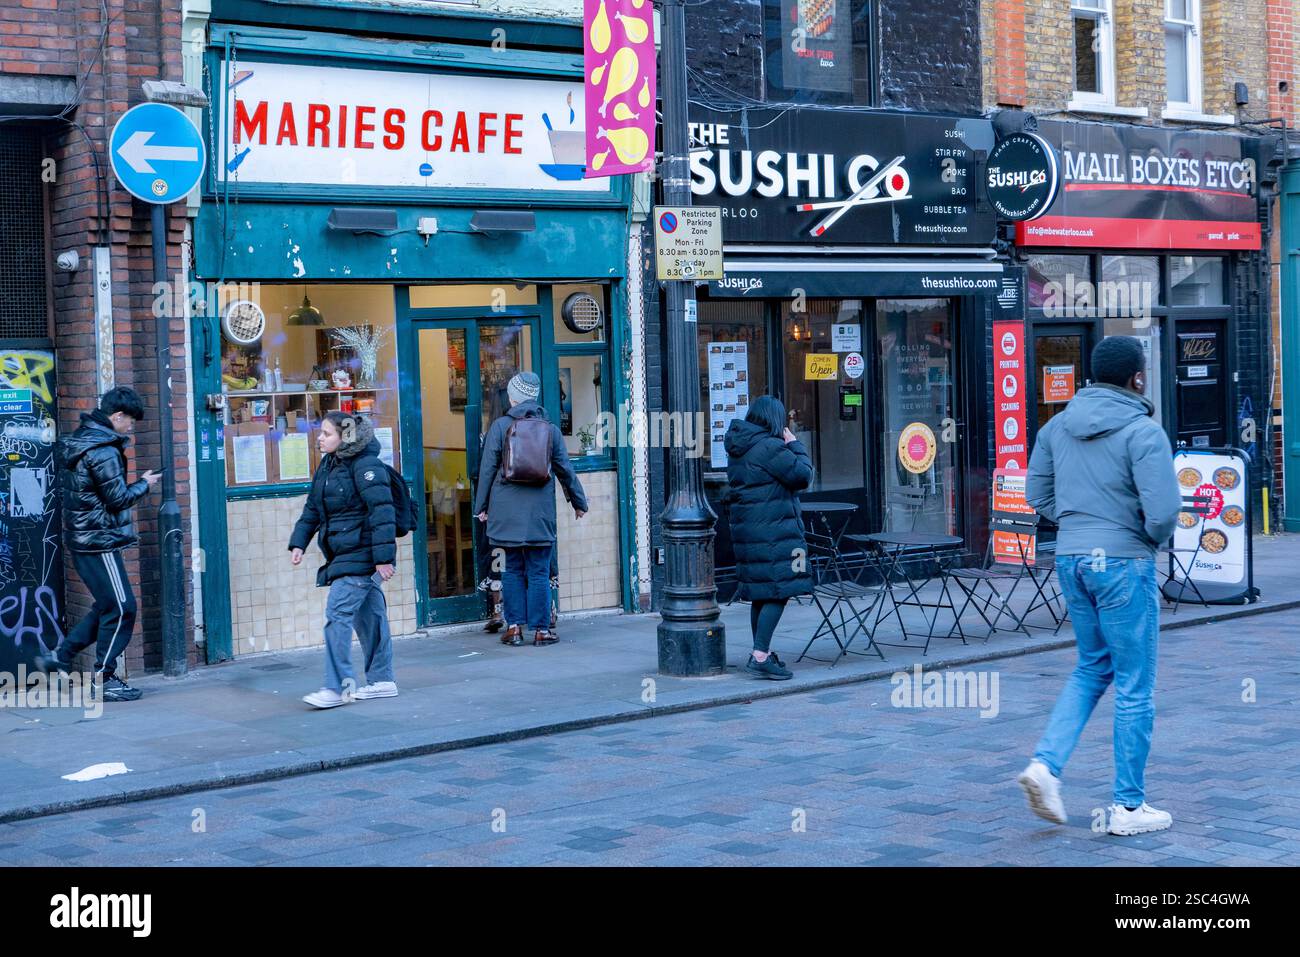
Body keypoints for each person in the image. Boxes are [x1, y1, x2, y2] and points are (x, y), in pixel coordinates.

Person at [1019, 335, 1181, 836]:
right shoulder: (1143, 431)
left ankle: (1045, 767)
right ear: (1137, 378)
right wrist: (1139, 536)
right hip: (1123, 562)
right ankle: (1128, 808)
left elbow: (1036, 494)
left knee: (1091, 667)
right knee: (1135, 684)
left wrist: (1077, 525)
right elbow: (1164, 513)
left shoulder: (1056, 428)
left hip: (1071, 558)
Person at [51, 387, 161, 701]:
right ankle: (104, 678)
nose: (131, 427)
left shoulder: (85, 438)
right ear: (117, 416)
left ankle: (62, 656)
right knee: (123, 607)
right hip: (99, 540)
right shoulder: (104, 449)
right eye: (130, 421)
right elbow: (117, 499)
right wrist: (145, 484)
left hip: (85, 539)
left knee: (108, 606)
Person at [289, 412, 398, 709]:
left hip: (361, 553)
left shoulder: (366, 466)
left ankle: (337, 687)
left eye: (326, 433)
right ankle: (383, 680)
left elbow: (383, 513)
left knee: (337, 615)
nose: (320, 438)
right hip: (345, 551)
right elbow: (313, 507)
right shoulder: (328, 465)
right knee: (371, 617)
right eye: (320, 433)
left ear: (345, 437)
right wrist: (299, 542)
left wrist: (383, 559)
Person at [475, 372, 587, 647]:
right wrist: (578, 502)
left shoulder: (500, 427)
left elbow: (487, 470)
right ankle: (541, 631)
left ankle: (514, 629)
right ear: (534, 398)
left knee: (511, 569)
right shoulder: (550, 429)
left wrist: (481, 507)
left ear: (513, 397)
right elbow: (565, 470)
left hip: (506, 511)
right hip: (539, 512)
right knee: (538, 571)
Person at [724, 395, 813, 680]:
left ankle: (759, 651)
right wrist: (794, 443)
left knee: (762, 591)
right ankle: (760, 655)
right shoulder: (771, 447)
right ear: (775, 420)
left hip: (750, 530)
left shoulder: (741, 448)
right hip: (773, 531)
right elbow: (802, 476)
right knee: (779, 589)